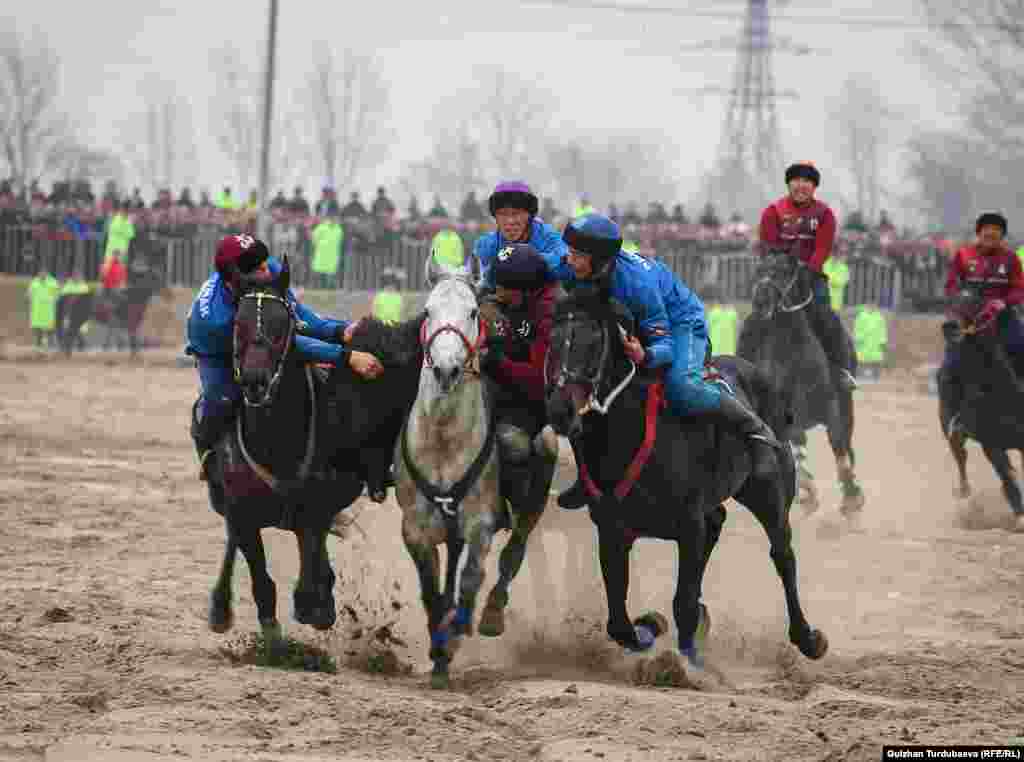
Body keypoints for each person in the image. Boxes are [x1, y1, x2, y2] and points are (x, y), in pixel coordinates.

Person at [545, 214, 780, 510]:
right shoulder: (572, 263)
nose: (569, 260)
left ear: (600, 260)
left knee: (683, 388)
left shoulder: (638, 284)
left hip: (679, 323)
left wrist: (646, 356)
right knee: (581, 387)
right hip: (628, 323)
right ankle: (587, 476)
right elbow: (538, 260)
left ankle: (756, 431)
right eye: (570, 252)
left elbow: (664, 344)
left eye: (577, 255)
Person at [185, 234, 383, 480]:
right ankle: (206, 446)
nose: (266, 268)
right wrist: (345, 356)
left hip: (255, 325)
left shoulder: (266, 271)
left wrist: (339, 331)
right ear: (235, 279)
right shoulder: (217, 319)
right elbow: (285, 344)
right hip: (215, 349)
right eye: (256, 267)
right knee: (223, 398)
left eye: (263, 260)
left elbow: (296, 317)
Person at [759, 161, 857, 391]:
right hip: (778, 274)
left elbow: (823, 247)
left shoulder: (824, 214)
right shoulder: (773, 211)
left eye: (806, 181)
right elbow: (767, 244)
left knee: (827, 317)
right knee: (756, 316)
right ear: (789, 184)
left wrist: (809, 268)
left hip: (810, 276)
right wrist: (779, 263)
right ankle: (744, 364)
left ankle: (840, 369)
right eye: (796, 180)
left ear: (814, 187)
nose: (801, 185)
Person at [480, 244, 560, 502]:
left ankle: (520, 504)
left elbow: (539, 379)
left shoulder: (550, 311)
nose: (497, 291)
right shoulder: (498, 298)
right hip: (500, 388)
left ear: (526, 289)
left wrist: (496, 361)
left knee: (515, 445)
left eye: (504, 287)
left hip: (534, 401)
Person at [939, 212, 1024, 429]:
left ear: (1002, 236)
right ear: (979, 233)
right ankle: (953, 415)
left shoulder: (1011, 258)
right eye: (987, 231)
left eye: (996, 231)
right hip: (969, 319)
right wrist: (960, 299)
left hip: (1002, 317)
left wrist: (1004, 302)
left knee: (1020, 346)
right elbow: (951, 286)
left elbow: (1019, 289)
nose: (991, 235)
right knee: (950, 364)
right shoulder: (963, 255)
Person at [473, 181, 567, 289]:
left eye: (516, 213)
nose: (510, 221)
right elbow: (475, 280)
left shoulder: (549, 238)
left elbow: (565, 265)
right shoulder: (485, 244)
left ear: (530, 216)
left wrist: (526, 259)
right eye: (503, 214)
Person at [27, 261, 59, 349]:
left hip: (49, 311)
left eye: (44, 272)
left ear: (47, 273)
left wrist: (52, 301)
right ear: (38, 273)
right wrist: (30, 300)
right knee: (38, 330)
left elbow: (57, 295)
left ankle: (52, 346)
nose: (42, 274)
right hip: (37, 311)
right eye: (41, 272)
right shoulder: (34, 282)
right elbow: (29, 294)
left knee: (50, 330)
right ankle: (38, 346)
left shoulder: (53, 282)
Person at [853, 302, 887, 381]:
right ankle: (860, 376)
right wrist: (858, 338)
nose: (872, 307)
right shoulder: (861, 316)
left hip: (875, 343)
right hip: (863, 342)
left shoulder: (879, 317)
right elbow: (857, 328)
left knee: (876, 360)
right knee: (861, 360)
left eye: (873, 305)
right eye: (870, 305)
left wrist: (883, 340)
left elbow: (882, 329)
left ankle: (875, 377)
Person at [311, 210, 344, 289]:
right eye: (332, 217)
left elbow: (340, 241)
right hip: (321, 253)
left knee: (331, 273)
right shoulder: (321, 227)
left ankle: (329, 287)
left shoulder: (339, 229)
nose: (334, 219)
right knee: (319, 271)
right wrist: (320, 246)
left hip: (333, 255)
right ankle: (316, 287)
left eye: (335, 218)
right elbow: (314, 238)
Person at [705, 287, 739, 356]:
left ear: (716, 301)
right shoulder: (733, 314)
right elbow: (737, 333)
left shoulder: (712, 314)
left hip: (714, 353)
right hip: (730, 353)